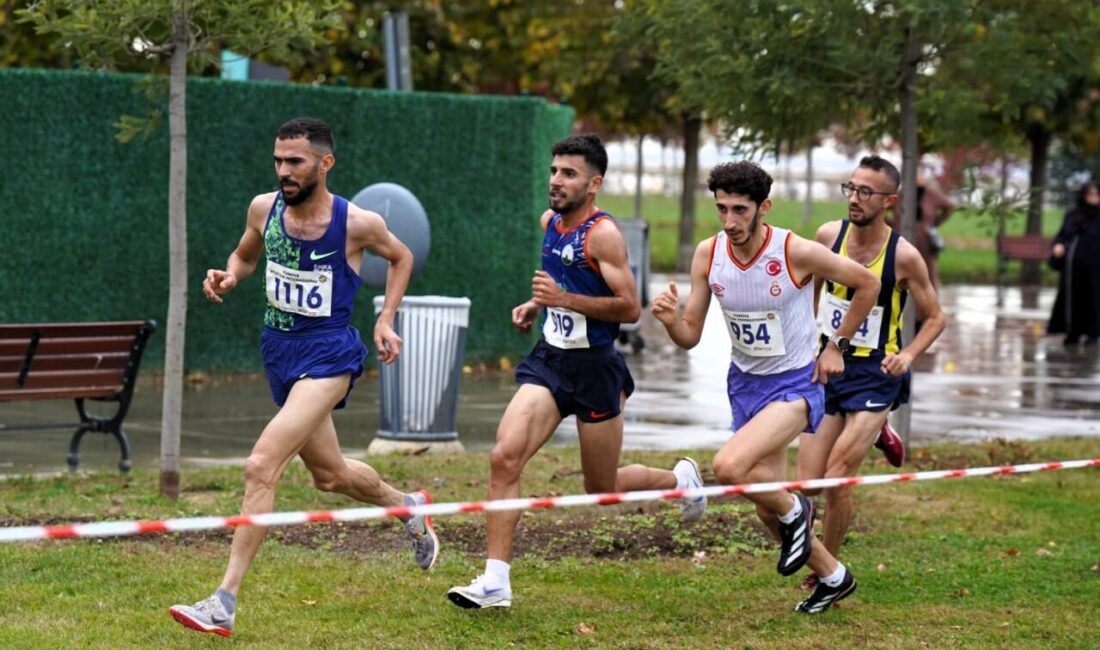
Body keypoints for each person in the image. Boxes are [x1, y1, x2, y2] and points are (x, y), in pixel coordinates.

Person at [169, 117, 438, 637]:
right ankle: (409, 507)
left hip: (330, 356)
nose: (284, 172)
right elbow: (245, 256)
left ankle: (223, 601)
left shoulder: (356, 223)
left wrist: (385, 318)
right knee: (330, 475)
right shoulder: (263, 208)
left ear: (324, 163)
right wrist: (228, 274)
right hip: (280, 353)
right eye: (278, 161)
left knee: (261, 465)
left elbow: (401, 256)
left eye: (295, 162)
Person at [446, 134, 707, 610]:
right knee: (505, 457)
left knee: (600, 489)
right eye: (553, 171)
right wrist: (535, 305)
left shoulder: (603, 234)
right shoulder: (551, 222)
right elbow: (562, 283)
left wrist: (562, 300)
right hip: (550, 358)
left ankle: (679, 480)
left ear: (594, 183)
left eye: (568, 173)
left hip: (595, 370)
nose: (556, 181)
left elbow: (630, 308)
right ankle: (495, 581)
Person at [649, 161, 880, 614]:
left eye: (740, 210)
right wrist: (670, 321)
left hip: (796, 383)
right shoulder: (708, 254)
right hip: (745, 385)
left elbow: (867, 283)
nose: (730, 221)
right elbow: (690, 335)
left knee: (730, 467)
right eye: (722, 209)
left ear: (763, 207)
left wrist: (835, 345)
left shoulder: (796, 250)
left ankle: (798, 511)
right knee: (762, 506)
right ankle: (834, 576)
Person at [795, 156, 946, 591]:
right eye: (851, 188)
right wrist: (813, 343)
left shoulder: (905, 256)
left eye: (866, 192)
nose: (855, 199)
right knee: (809, 482)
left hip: (877, 371)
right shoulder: (828, 236)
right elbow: (811, 289)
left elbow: (935, 317)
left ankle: (829, 570)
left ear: (890, 201)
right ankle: (880, 432)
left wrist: (909, 355)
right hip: (829, 366)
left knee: (838, 475)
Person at [1048, 181, 1100, 346]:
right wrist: (1058, 245)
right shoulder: (1073, 215)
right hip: (1073, 268)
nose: (1094, 198)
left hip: (1095, 268)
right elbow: (1062, 235)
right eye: (1090, 194)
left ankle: (1093, 333)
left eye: (1096, 194)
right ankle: (1073, 331)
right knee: (1073, 300)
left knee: (1094, 298)